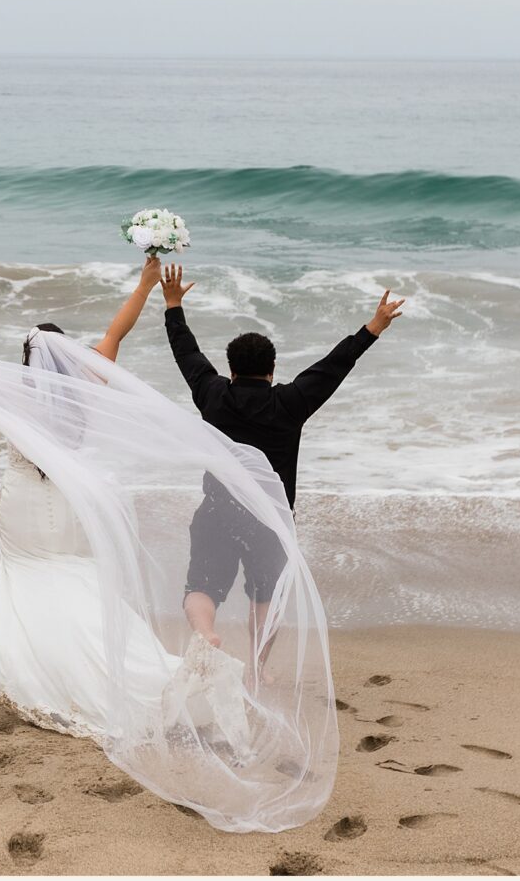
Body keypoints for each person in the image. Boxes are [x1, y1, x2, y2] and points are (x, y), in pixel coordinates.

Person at [0, 255, 341, 833]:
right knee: (73, 573)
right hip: (74, 505)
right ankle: (134, 670)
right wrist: (149, 284)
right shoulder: (90, 381)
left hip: (23, 505)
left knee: (30, 576)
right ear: (67, 356)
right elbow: (117, 330)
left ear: (25, 361)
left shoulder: (14, 396)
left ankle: (41, 676)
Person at [158, 263, 404, 680]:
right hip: (269, 518)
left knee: (201, 586)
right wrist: (372, 328)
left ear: (231, 369)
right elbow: (333, 366)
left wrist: (173, 305)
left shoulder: (213, 395)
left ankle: (206, 634)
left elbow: (188, 354)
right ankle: (257, 667)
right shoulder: (289, 402)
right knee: (265, 594)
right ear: (272, 370)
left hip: (217, 510)